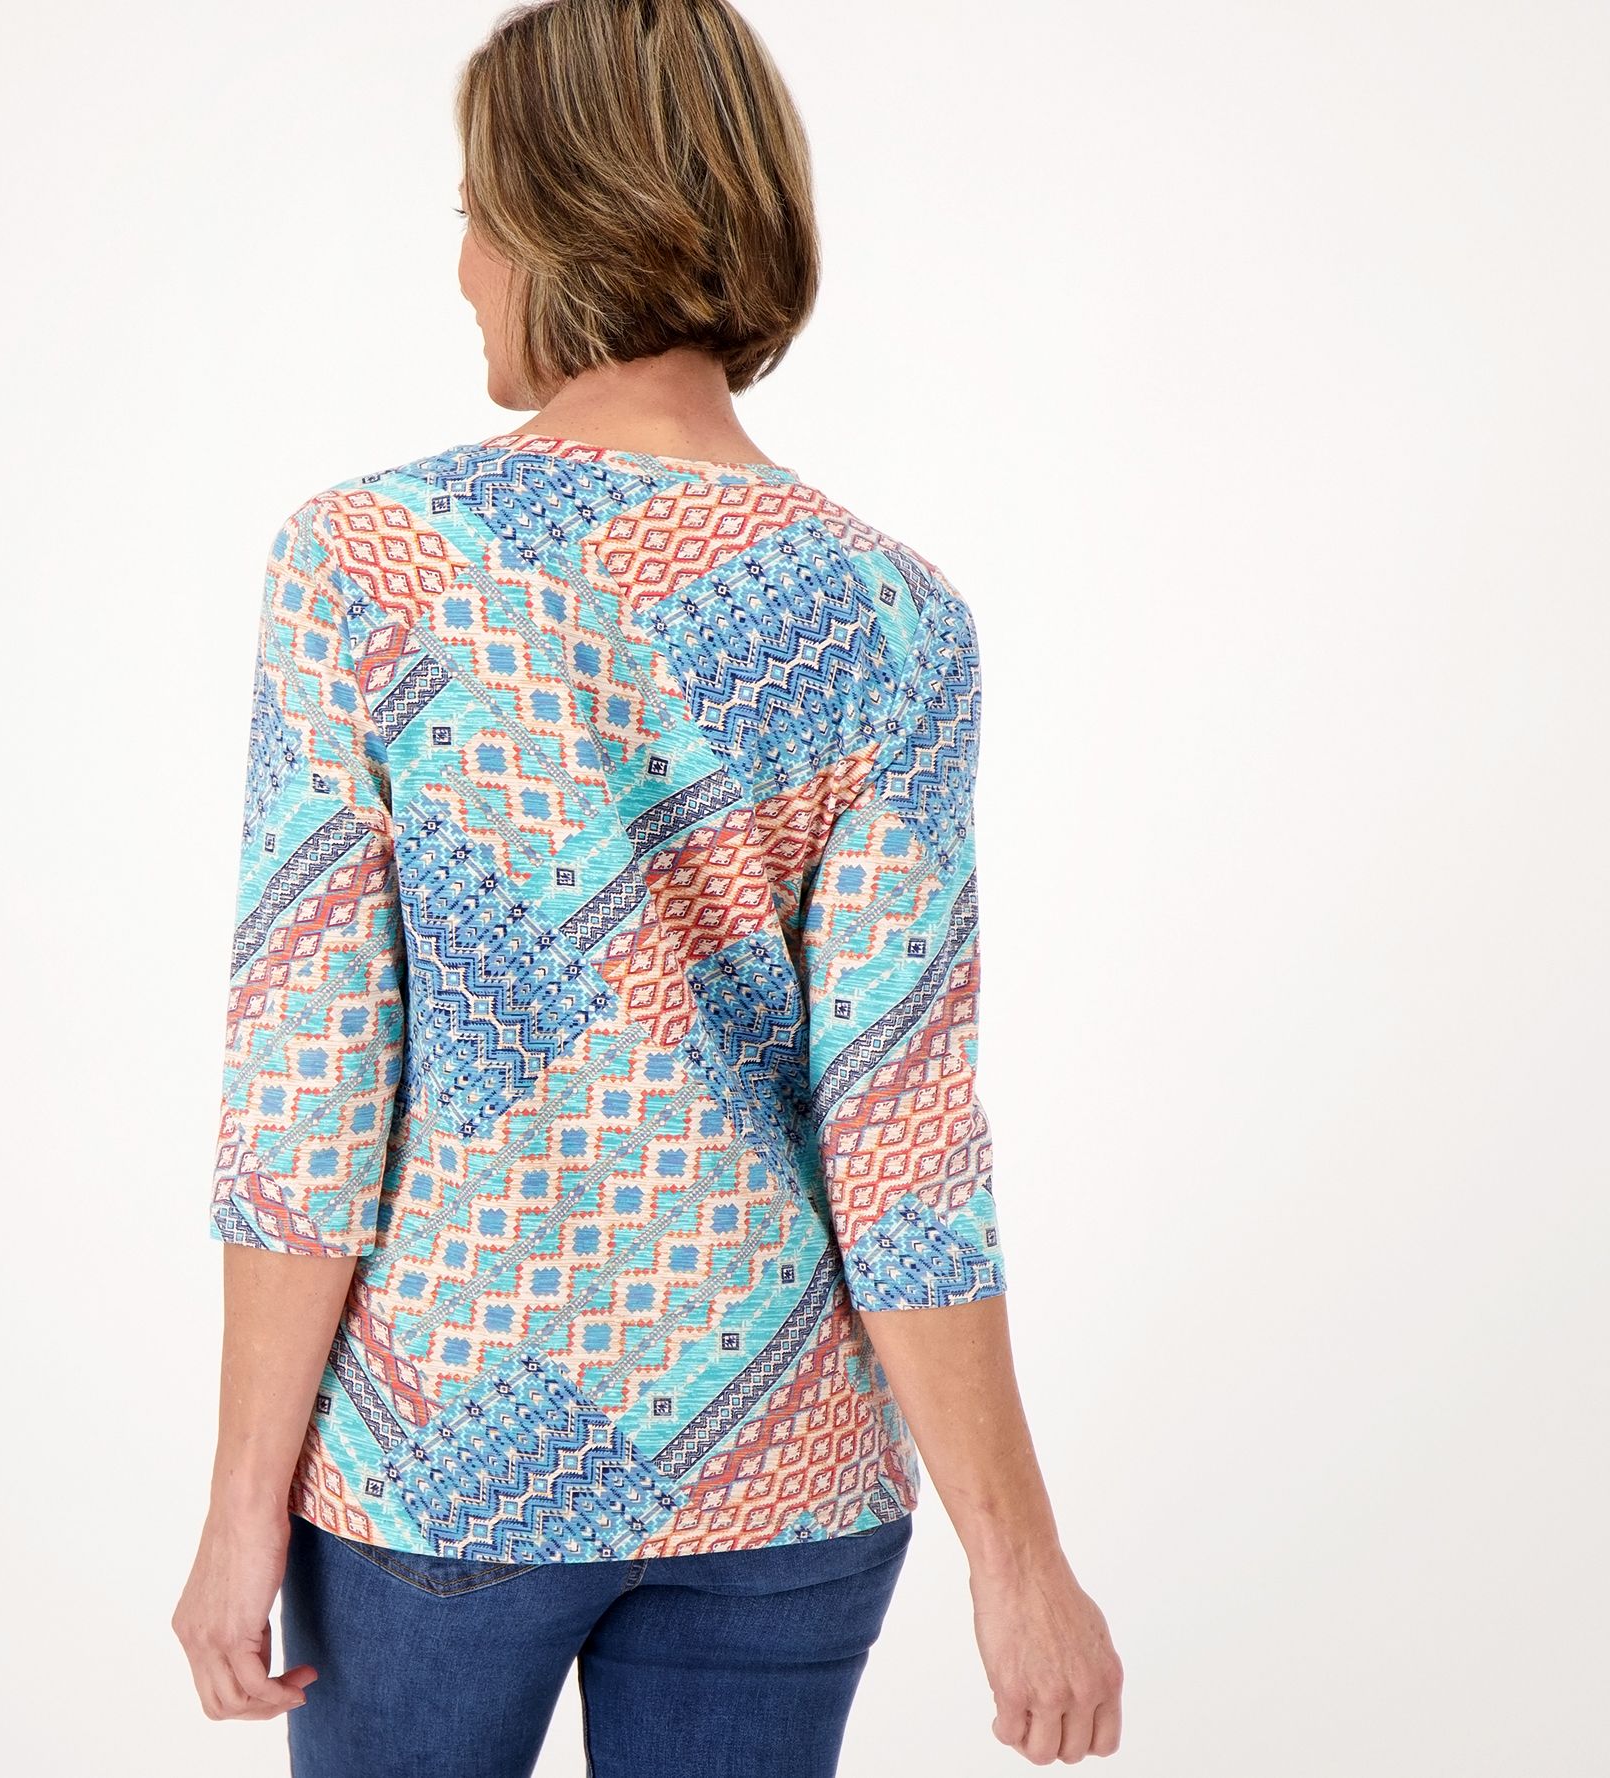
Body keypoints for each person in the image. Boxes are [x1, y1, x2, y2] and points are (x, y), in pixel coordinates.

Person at [172, 2, 1123, 1772]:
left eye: (475, 212)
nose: (462, 267)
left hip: (442, 1463)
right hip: (786, 1472)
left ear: (557, 216)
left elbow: (309, 1083)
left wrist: (239, 1503)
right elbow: (903, 1131)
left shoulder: (369, 565)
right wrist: (1019, 1560)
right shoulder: (893, 616)